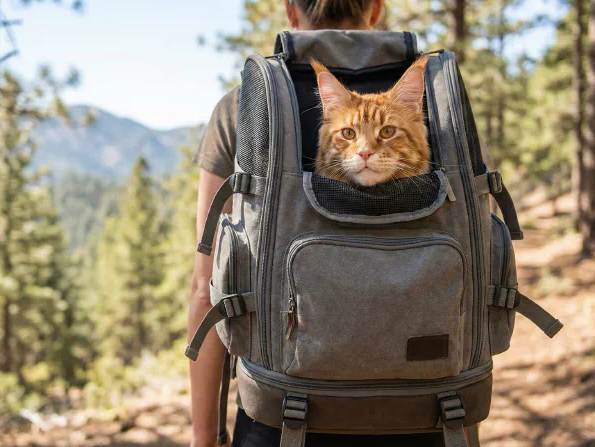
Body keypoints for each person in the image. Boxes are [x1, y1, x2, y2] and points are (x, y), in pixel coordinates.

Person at [189, 1, 475, 446]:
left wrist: (205, 436)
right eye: (348, 135)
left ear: (290, 9)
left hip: (281, 413)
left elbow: (204, 286)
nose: (363, 149)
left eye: (384, 133)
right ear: (376, 9)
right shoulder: (444, 96)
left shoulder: (244, 103)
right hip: (431, 408)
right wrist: (465, 420)